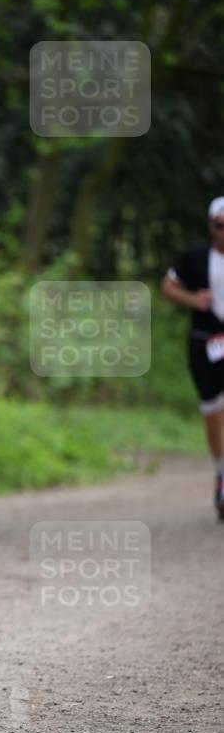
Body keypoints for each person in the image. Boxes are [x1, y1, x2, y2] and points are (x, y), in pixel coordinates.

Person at [160, 196, 224, 520]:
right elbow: (167, 287)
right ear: (212, 227)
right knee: (212, 413)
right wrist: (193, 299)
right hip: (205, 343)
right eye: (221, 225)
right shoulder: (195, 257)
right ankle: (221, 474)